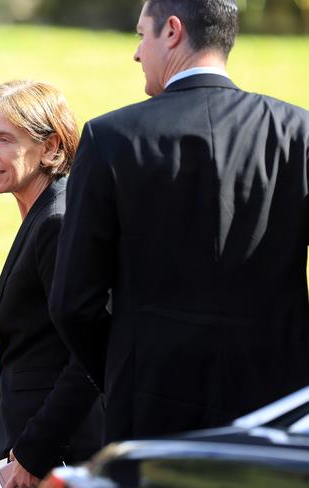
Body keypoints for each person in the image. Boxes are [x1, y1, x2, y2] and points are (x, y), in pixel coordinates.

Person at [50, 0, 309, 445]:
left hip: (149, 410)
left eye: (140, 35)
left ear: (171, 31)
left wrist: (123, 373)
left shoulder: (111, 138)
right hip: (274, 415)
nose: (136, 53)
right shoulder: (297, 132)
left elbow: (73, 302)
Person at [0, 80, 104, 487]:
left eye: (3, 140)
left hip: (61, 457)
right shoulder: (45, 211)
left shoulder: (57, 221)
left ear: (50, 148)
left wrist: (34, 454)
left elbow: (87, 355)